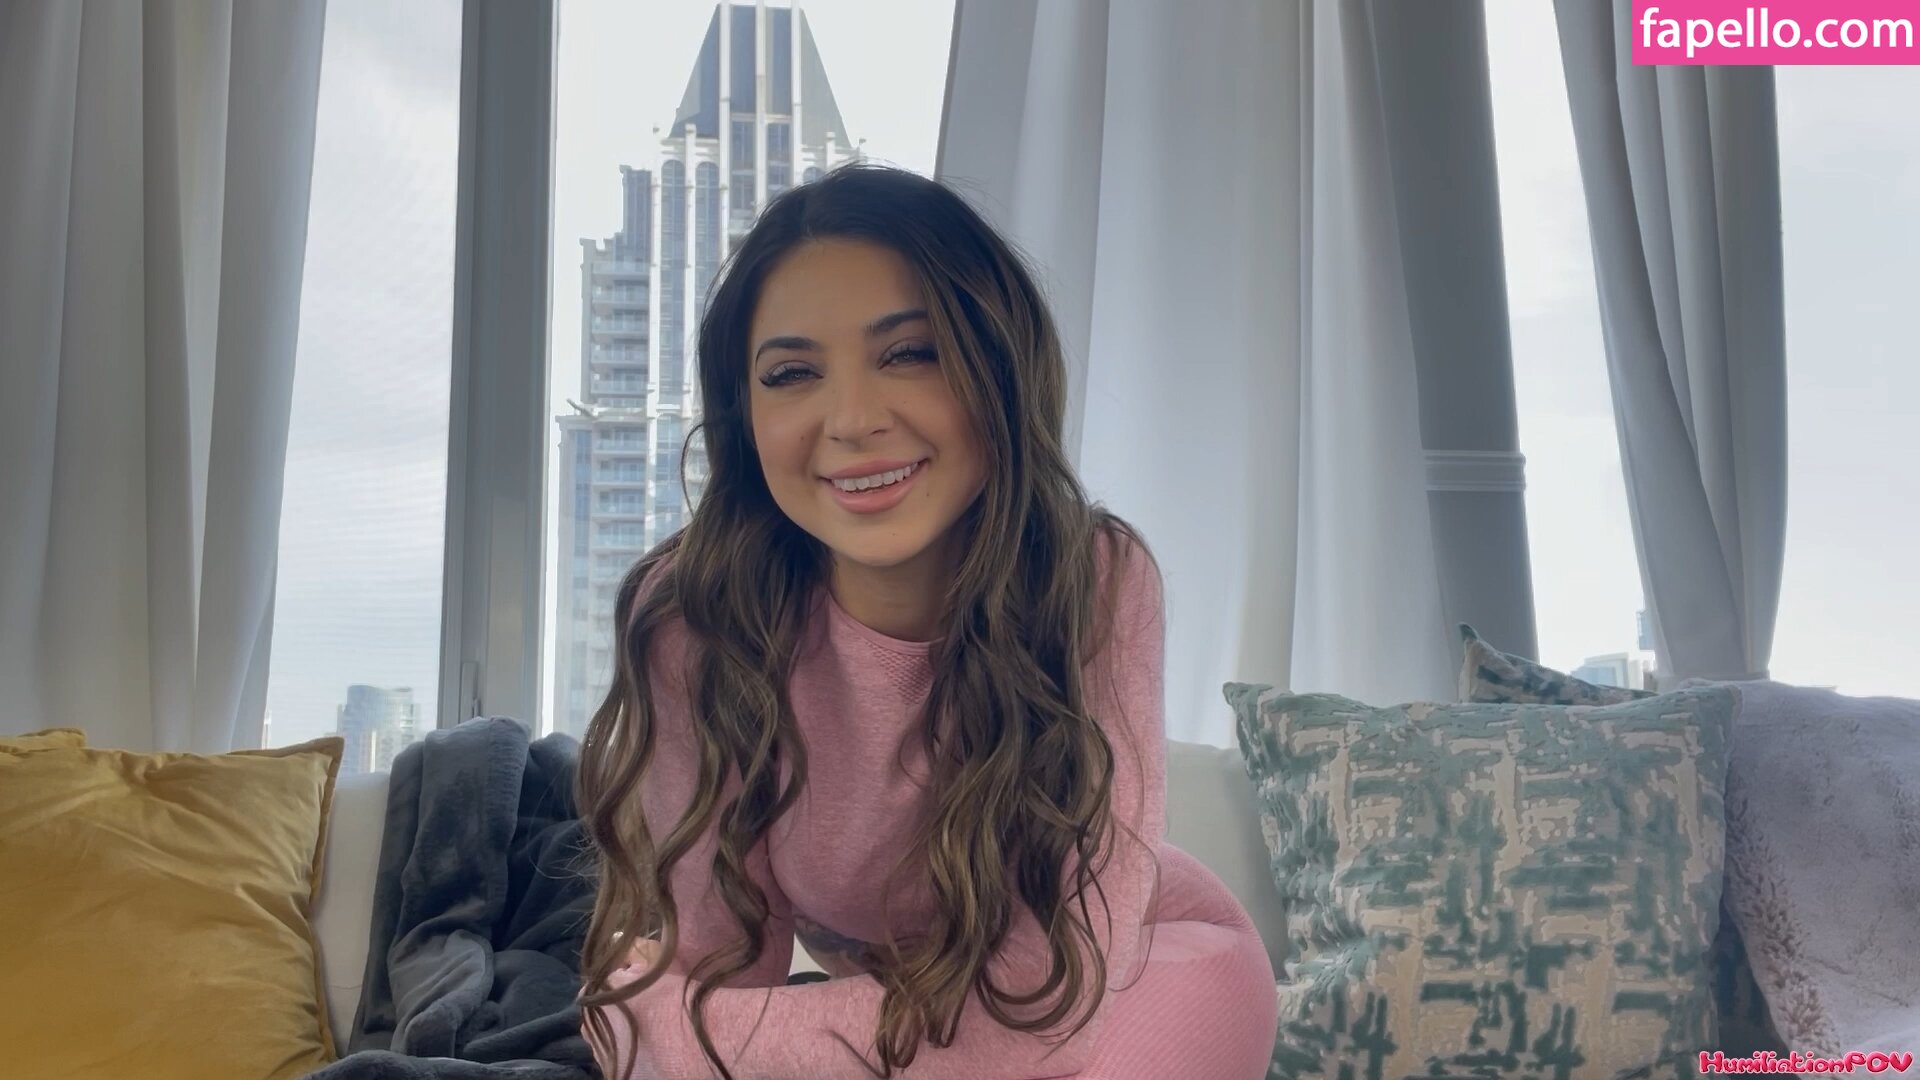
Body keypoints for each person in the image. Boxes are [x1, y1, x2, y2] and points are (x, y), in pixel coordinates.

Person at [575, 164, 1277, 1080]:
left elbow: (1046, 1011)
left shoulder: (1094, 581)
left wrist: (665, 1026)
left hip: (1149, 968)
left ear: (998, 367)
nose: (852, 420)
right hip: (914, 1018)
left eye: (909, 353)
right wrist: (684, 1030)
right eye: (792, 373)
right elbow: (712, 969)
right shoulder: (692, 616)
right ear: (744, 416)